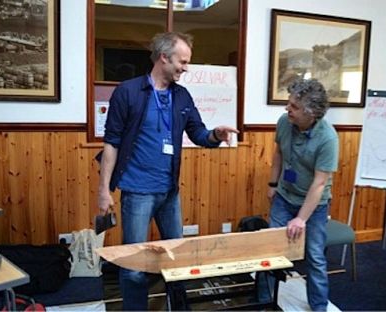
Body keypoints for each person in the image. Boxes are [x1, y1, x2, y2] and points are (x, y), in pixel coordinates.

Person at [97, 31, 239, 311]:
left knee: (177, 259)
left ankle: (180, 307)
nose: (185, 68)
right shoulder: (128, 92)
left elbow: (198, 133)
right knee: (134, 265)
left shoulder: (182, 96)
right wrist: (104, 191)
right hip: (137, 192)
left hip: (169, 193)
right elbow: (111, 143)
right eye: (182, 61)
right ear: (163, 57)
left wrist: (215, 135)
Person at [257, 78, 339, 311]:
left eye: (293, 106)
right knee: (270, 251)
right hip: (284, 196)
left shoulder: (328, 138)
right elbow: (279, 154)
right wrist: (273, 184)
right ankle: (265, 301)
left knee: (314, 258)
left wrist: (301, 218)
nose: (287, 109)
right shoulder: (284, 122)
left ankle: (319, 307)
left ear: (310, 112)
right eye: (289, 103)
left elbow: (320, 183)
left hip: (314, 206)